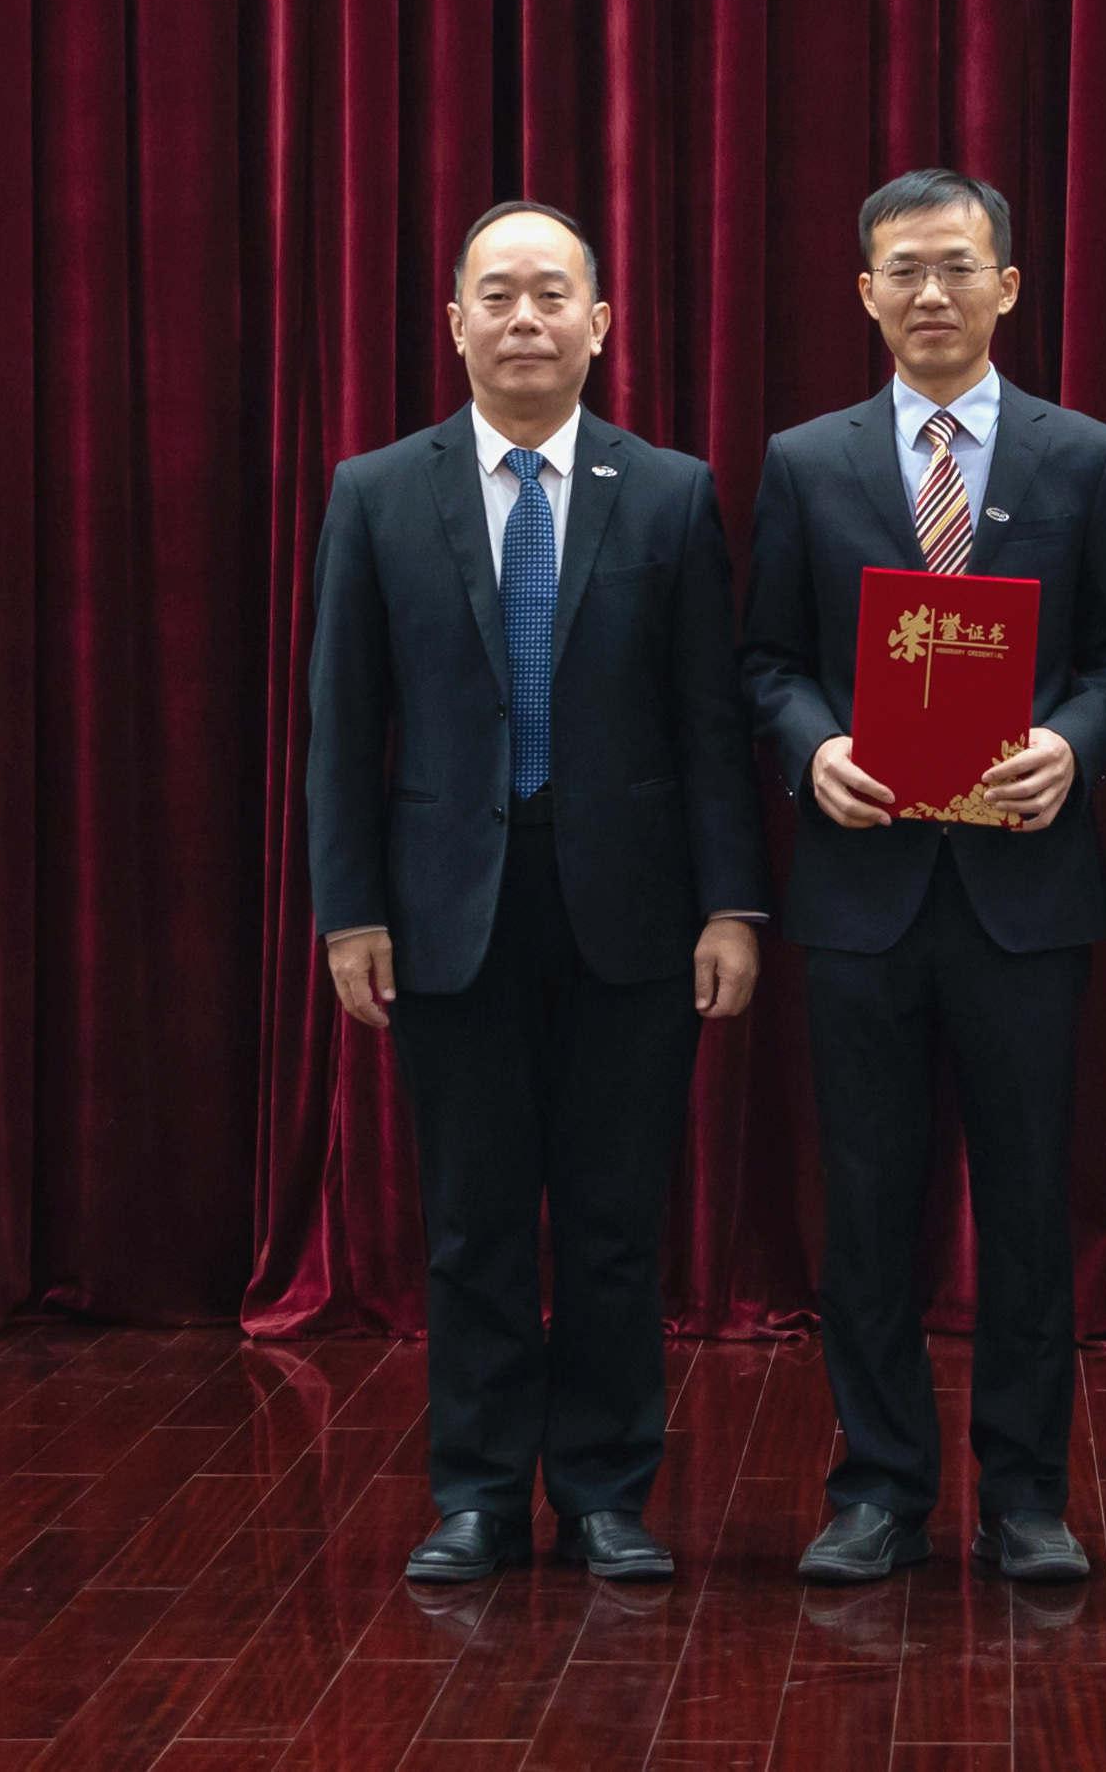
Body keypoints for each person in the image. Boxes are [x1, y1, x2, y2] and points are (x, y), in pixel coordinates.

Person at [304, 200, 769, 1584]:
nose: (525, 319)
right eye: (497, 295)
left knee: (617, 1222)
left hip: (633, 915)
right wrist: (349, 911)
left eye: (552, 295)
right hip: (447, 914)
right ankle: (478, 1495)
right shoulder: (378, 492)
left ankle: (610, 1494)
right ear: (455, 323)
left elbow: (709, 724)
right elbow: (343, 725)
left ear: (599, 324)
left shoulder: (669, 492)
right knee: (473, 1223)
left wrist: (732, 906)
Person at [741, 170, 1106, 1586]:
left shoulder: (1085, 458)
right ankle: (876, 1489)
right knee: (867, 1207)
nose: (932, 294)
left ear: (1008, 287)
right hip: (862, 891)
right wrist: (814, 749)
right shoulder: (806, 462)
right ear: (865, 293)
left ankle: (1028, 1497)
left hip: (1024, 891)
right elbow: (765, 661)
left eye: (958, 268)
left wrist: (1071, 745)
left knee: (1030, 1207)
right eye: (904, 271)